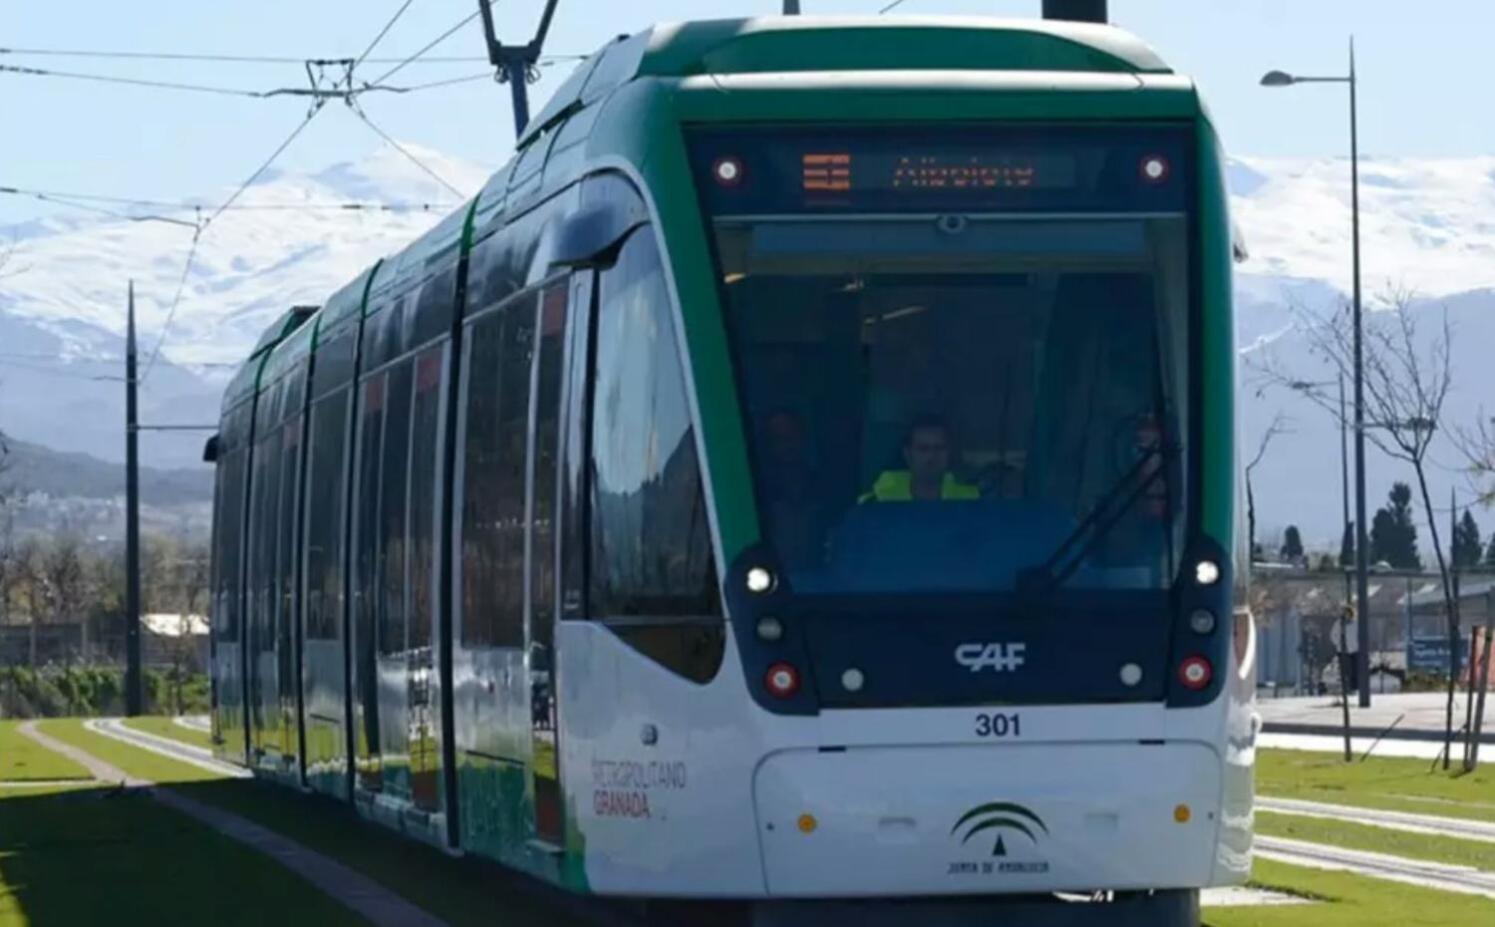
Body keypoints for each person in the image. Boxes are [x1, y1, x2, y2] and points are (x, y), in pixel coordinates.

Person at [860, 415, 979, 502]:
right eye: (923, 449)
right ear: (907, 454)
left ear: (949, 452)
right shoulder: (878, 500)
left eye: (939, 448)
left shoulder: (970, 501)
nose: (932, 455)